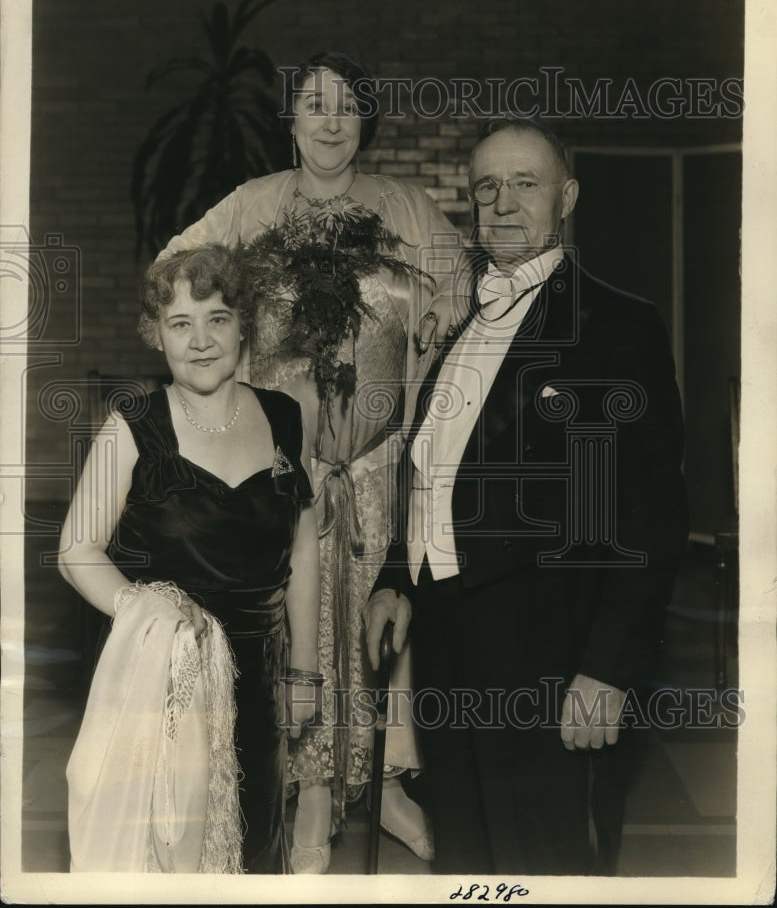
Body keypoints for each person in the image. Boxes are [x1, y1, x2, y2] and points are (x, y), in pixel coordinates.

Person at [157, 51, 466, 872]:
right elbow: (174, 273)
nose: (329, 121)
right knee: (298, 620)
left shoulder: (403, 204)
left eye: (345, 106)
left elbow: (460, 287)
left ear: (365, 120)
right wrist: (221, 341)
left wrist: (437, 316)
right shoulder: (254, 204)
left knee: (385, 613)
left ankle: (390, 781)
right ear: (290, 122)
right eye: (312, 105)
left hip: (380, 462)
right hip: (288, 466)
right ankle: (312, 789)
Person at [365, 117, 689, 875]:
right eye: (486, 187)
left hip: (550, 646)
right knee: (465, 854)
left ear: (566, 196)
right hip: (445, 635)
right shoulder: (462, 322)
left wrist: (608, 667)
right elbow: (431, 463)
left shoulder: (617, 325)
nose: (502, 204)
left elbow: (652, 513)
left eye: (524, 183)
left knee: (544, 858)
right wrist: (392, 577)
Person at [59, 244, 321, 873]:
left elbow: (303, 544)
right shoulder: (133, 426)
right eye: (180, 324)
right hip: (164, 688)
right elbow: (76, 550)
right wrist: (148, 606)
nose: (201, 340)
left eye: (217, 319)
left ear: (243, 327)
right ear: (157, 335)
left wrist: (305, 674)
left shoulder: (284, 416)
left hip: (260, 679)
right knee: (168, 858)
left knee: (256, 851)